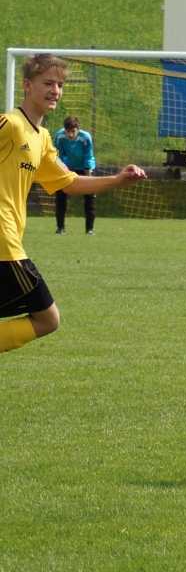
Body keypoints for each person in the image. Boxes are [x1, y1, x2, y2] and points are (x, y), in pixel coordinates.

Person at [1, 54, 147, 353]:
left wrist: (118, 179)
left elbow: (68, 182)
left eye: (59, 85)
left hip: (9, 239)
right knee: (47, 318)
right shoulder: (11, 124)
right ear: (27, 85)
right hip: (4, 243)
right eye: (47, 83)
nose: (55, 90)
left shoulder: (42, 138)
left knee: (47, 319)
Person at [53, 116, 97, 235]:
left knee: (89, 198)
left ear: (78, 129)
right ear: (64, 130)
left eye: (73, 131)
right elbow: (58, 155)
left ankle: (89, 229)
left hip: (84, 168)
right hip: (67, 168)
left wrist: (88, 177)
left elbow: (88, 156)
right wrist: (63, 171)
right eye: (68, 131)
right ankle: (60, 228)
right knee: (60, 197)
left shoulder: (85, 137)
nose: (70, 135)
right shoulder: (59, 136)